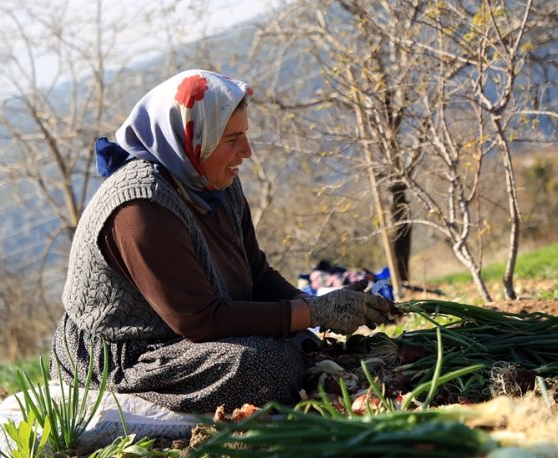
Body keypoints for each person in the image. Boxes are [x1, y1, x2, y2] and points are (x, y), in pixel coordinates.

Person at [49, 69, 394, 414]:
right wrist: (311, 312)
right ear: (192, 139)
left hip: (193, 338)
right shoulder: (141, 208)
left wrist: (318, 305)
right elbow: (200, 320)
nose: (246, 151)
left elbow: (256, 274)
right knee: (261, 365)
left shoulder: (215, 182)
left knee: (298, 342)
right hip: (128, 355)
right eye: (231, 140)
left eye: (244, 135)